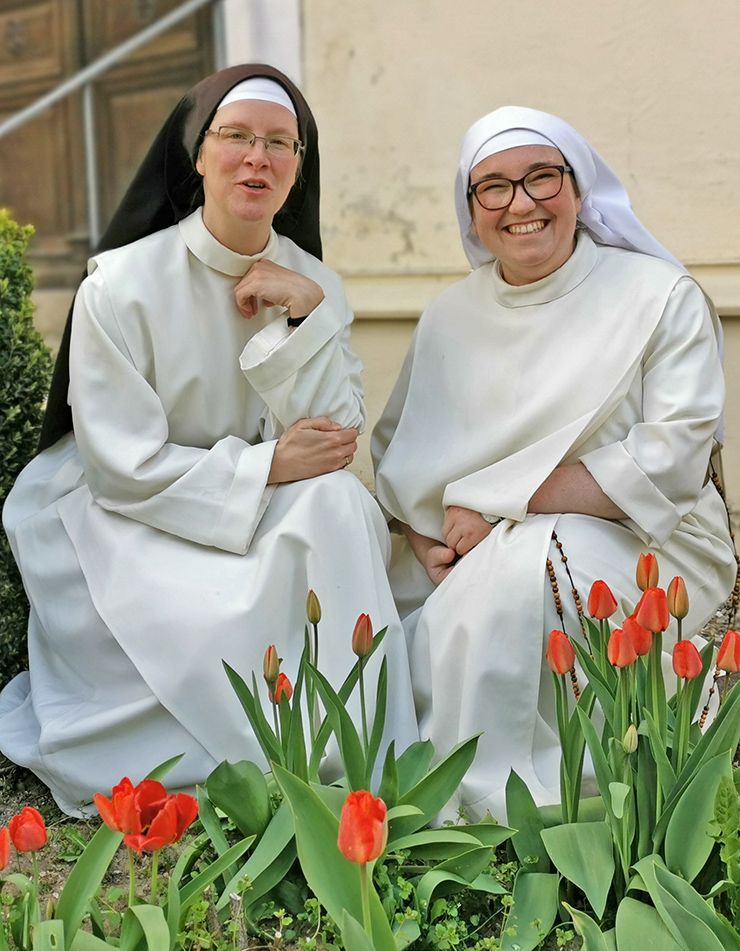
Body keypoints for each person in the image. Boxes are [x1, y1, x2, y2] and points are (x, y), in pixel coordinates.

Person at [0, 65, 417, 815]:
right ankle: (245, 762)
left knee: (341, 509)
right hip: (130, 510)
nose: (257, 157)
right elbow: (119, 467)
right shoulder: (119, 287)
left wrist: (305, 319)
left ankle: (350, 766)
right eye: (236, 138)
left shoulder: (314, 280)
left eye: (278, 144)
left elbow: (336, 440)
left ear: (297, 168)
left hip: (253, 495)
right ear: (198, 155)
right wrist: (262, 468)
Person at [372, 106, 736, 824]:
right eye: (494, 188)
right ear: (472, 211)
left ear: (578, 190)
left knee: (533, 560)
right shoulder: (448, 316)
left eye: (542, 178)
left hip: (650, 540)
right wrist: (427, 544)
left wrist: (506, 507)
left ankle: (543, 793)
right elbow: (396, 457)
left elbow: (668, 461)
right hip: (470, 545)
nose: (522, 204)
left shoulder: (660, 296)